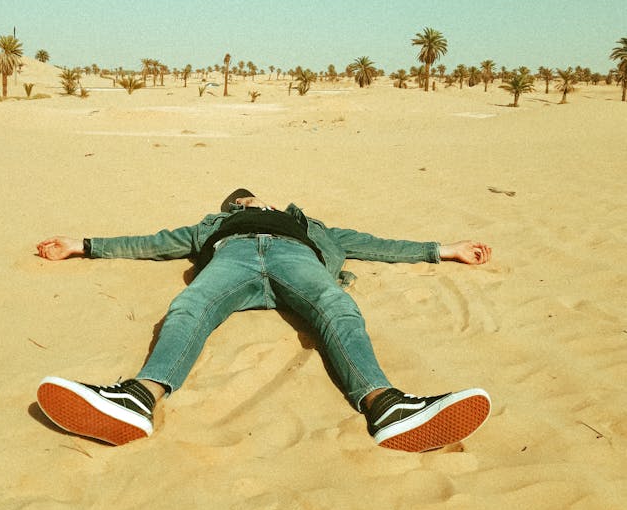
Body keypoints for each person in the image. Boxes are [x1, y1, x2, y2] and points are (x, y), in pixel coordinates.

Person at [36, 189, 492, 452]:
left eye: (252, 199)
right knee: (189, 306)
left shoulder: (310, 226)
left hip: (297, 259)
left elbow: (375, 243)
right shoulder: (211, 227)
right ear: (231, 210)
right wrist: (83, 244)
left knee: (337, 306)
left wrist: (443, 249)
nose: (247, 202)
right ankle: (138, 398)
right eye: (239, 202)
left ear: (269, 203)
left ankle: (388, 405)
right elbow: (154, 241)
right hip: (232, 260)